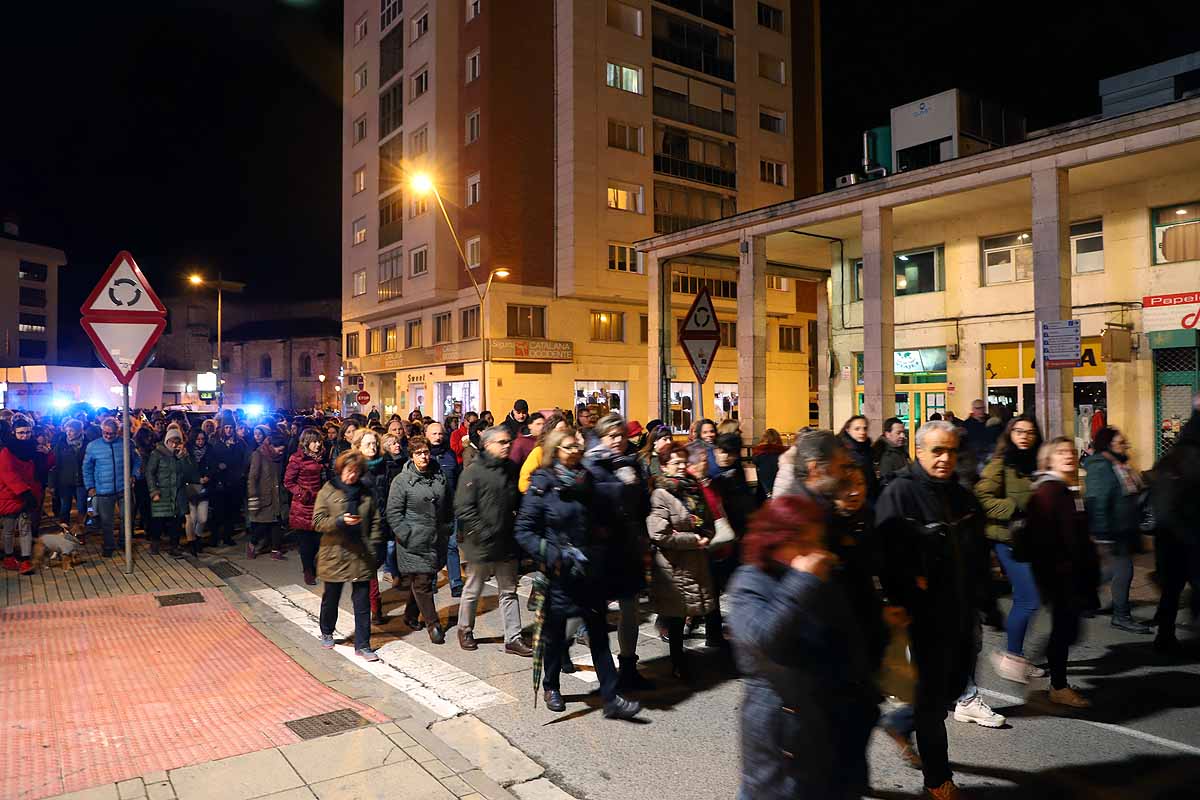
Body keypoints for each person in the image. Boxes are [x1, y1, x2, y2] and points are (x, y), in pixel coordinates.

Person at [876, 420, 1003, 800]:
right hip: (924, 616)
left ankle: (901, 722)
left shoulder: (961, 496)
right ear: (919, 451)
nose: (945, 458)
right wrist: (904, 596)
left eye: (951, 451)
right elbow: (886, 554)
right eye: (937, 451)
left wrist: (989, 602)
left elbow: (979, 552)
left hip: (961, 612)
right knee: (933, 698)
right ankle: (938, 780)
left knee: (951, 689)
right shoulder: (900, 493)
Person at [728, 495, 876, 800]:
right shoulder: (750, 582)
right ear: (775, 542)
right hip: (781, 731)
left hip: (828, 726)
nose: (814, 550)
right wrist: (802, 581)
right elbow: (765, 640)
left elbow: (846, 641)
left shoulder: (817, 579)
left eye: (816, 540)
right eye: (802, 541)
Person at [514, 428, 643, 719]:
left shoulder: (589, 479)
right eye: (568, 447)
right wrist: (553, 554)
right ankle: (551, 686)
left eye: (577, 446)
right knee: (556, 635)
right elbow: (524, 531)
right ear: (554, 450)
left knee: (599, 634)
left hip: (589, 571)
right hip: (560, 573)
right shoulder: (542, 483)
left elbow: (607, 515)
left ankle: (611, 696)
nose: (575, 451)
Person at [1024, 436, 1099, 708]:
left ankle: (1045, 674)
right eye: (1061, 452)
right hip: (1061, 575)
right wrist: (1058, 574)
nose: (1068, 456)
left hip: (1069, 574)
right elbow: (1045, 540)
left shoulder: (1066, 489)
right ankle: (1054, 683)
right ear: (1049, 459)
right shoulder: (1050, 491)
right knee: (1065, 629)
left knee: (1068, 629)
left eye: (1071, 451)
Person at [583, 413, 654, 690]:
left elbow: (645, 504)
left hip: (628, 546)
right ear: (601, 438)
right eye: (611, 436)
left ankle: (628, 667)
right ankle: (572, 654)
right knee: (592, 612)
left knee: (630, 608)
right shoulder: (590, 465)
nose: (617, 441)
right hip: (600, 548)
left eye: (621, 435)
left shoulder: (634, 464)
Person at [975, 416, 1046, 681]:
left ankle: (1016, 655)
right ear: (1010, 433)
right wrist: (1012, 509)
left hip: (1034, 540)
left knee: (1025, 599)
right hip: (1008, 540)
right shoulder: (1000, 464)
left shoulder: (1039, 463)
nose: (1025, 436)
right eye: (1019, 431)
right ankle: (1011, 656)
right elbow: (981, 497)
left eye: (1030, 432)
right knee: (1029, 600)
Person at [454, 425, 529, 655]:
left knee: (508, 591)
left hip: (506, 541)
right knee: (474, 588)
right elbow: (463, 507)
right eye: (502, 442)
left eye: (509, 442)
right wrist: (483, 531)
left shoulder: (510, 468)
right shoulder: (473, 471)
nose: (507, 446)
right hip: (480, 543)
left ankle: (513, 638)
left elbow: (517, 501)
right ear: (487, 445)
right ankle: (465, 629)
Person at [647, 444, 718, 682]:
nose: (680, 467)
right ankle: (677, 662)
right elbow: (659, 533)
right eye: (674, 463)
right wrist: (692, 539)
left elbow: (708, 518)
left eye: (682, 462)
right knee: (677, 616)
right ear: (664, 466)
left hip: (695, 560)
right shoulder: (660, 493)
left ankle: (686, 658)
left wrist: (707, 534)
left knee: (690, 610)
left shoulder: (694, 488)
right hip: (673, 564)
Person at [313, 450, 385, 662]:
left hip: (360, 555)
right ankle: (327, 630)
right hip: (334, 553)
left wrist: (373, 546)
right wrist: (339, 521)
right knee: (331, 598)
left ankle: (363, 644)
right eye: (348, 471)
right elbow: (317, 521)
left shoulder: (366, 492)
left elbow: (376, 521)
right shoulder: (328, 490)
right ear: (340, 469)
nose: (351, 475)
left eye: (356, 471)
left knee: (362, 603)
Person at [1084, 426, 1151, 634]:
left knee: (1109, 570)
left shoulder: (1119, 465)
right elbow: (1097, 501)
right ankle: (1121, 616)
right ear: (1107, 445)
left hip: (1123, 528)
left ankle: (1081, 599)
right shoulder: (1100, 466)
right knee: (1123, 570)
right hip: (1112, 530)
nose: (1126, 446)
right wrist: (1102, 533)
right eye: (1121, 442)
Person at [386, 435, 451, 643]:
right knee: (423, 582)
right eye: (418, 453)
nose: (424, 456)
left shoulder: (438, 474)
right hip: (413, 541)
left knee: (426, 578)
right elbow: (394, 512)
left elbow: (448, 503)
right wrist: (406, 534)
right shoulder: (402, 481)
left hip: (435, 538)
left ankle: (410, 614)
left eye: (426, 452)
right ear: (411, 456)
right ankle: (433, 624)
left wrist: (447, 527)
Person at [1151, 395, 1200, 652]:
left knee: (1172, 590)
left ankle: (1165, 635)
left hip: (1170, 540)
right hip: (1188, 539)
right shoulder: (1190, 462)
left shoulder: (1168, 461)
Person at [83, 417, 140, 557]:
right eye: (105, 433)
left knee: (126, 517)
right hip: (103, 489)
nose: (108, 436)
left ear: (117, 432)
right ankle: (108, 545)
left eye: (111, 433)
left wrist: (134, 475)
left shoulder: (127, 443)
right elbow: (87, 467)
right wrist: (90, 486)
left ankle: (124, 542)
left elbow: (137, 460)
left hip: (123, 487)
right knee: (106, 521)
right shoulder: (93, 446)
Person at [1, 416, 45, 574]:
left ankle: (26, 559)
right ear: (14, 432)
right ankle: (9, 557)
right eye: (21, 433)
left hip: (27, 494)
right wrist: (24, 492)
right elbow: (8, 474)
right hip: (11, 495)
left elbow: (40, 471)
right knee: (9, 529)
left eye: (27, 432)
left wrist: (46, 455)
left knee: (25, 528)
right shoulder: (6, 451)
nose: (24, 436)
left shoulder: (33, 448)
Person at [285, 428, 328, 586]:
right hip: (303, 506)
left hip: (320, 505)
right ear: (306, 443)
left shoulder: (321, 458)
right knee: (306, 542)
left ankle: (313, 565)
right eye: (314, 442)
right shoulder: (297, 459)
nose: (317, 444)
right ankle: (308, 570)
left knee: (318, 540)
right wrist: (302, 494)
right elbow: (288, 482)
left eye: (319, 441)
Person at [425, 422, 463, 597]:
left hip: (450, 507)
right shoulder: (423, 457)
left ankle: (455, 582)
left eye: (440, 434)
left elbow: (458, 479)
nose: (437, 437)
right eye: (433, 434)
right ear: (427, 435)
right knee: (432, 546)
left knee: (452, 546)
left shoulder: (450, 455)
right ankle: (431, 580)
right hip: (430, 509)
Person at [145, 428, 188, 557]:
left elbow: (188, 472)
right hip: (162, 491)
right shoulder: (157, 453)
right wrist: (153, 491)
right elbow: (150, 472)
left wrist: (183, 458)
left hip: (177, 492)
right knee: (159, 520)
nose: (174, 445)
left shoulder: (181, 455)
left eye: (177, 442)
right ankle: (155, 543)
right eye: (171, 442)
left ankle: (174, 546)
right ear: (167, 440)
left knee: (176, 521)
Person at [247, 432, 288, 559]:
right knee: (263, 524)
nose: (280, 453)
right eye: (279, 450)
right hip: (263, 495)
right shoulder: (258, 455)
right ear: (271, 446)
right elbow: (253, 477)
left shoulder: (278, 458)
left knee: (276, 522)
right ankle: (252, 544)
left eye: (282, 451)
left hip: (277, 495)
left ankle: (275, 550)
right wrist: (253, 496)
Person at [211, 419, 250, 547]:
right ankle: (215, 537)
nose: (228, 430)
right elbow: (211, 459)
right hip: (219, 482)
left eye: (230, 427)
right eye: (226, 427)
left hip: (234, 482)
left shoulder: (239, 443)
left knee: (231, 511)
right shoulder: (216, 442)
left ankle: (227, 536)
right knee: (218, 511)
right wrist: (217, 466)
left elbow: (244, 460)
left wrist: (240, 474)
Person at [50, 419, 88, 529]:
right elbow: (55, 465)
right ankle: (64, 528)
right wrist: (52, 483)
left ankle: (81, 528)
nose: (68, 433)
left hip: (81, 481)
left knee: (82, 506)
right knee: (65, 506)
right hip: (65, 481)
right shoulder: (61, 444)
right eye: (67, 431)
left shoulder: (87, 444)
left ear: (80, 431)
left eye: (71, 431)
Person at [182, 428, 214, 555]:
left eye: (202, 439)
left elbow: (213, 465)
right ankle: (192, 542)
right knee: (192, 518)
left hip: (204, 488)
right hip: (190, 488)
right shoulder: (187, 452)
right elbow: (185, 470)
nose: (200, 442)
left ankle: (198, 536)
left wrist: (208, 476)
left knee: (203, 518)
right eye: (198, 439)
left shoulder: (210, 450)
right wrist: (197, 478)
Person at [519, 412, 569, 493]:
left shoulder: (567, 452)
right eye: (560, 430)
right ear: (550, 431)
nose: (564, 433)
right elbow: (524, 481)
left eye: (565, 429)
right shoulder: (539, 451)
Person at [840, 415, 881, 502]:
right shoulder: (842, 451)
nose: (862, 432)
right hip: (854, 498)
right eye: (857, 429)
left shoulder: (868, 449)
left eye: (865, 428)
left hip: (870, 497)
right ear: (848, 430)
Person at [962, 399, 1000, 470]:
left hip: (990, 456)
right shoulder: (967, 424)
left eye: (983, 408)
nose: (981, 410)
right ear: (973, 409)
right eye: (978, 408)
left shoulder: (992, 422)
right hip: (974, 458)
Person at [751, 428, 788, 502]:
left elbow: (755, 462)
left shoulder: (759, 452)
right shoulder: (782, 453)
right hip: (779, 488)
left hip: (763, 489)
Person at [876, 417, 911, 487]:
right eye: (898, 433)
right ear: (888, 434)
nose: (903, 436)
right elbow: (885, 482)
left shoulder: (902, 450)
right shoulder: (884, 454)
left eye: (903, 432)